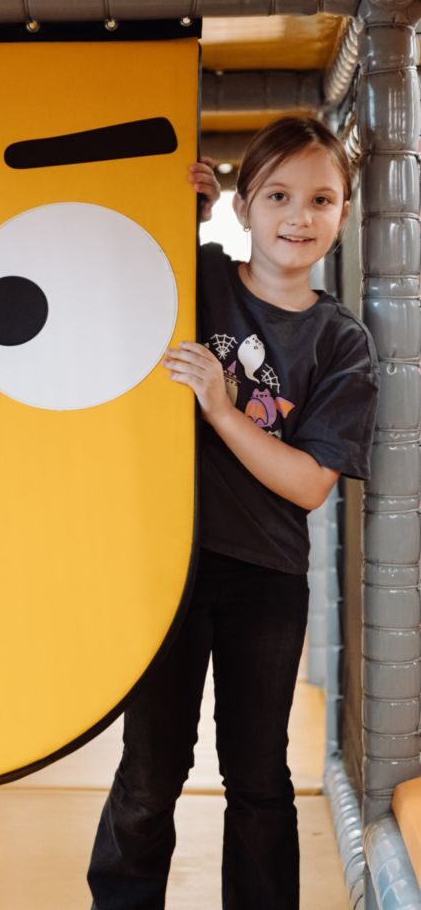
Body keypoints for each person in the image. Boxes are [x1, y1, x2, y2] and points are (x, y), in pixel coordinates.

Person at [87, 116, 380, 910]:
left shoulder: (340, 341)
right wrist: (177, 207)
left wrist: (220, 408)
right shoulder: (202, 279)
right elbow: (122, 263)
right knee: (149, 773)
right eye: (276, 195)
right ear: (243, 205)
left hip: (264, 579)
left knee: (257, 777)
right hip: (169, 569)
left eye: (320, 199)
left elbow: (309, 483)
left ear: (343, 213)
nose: (298, 216)